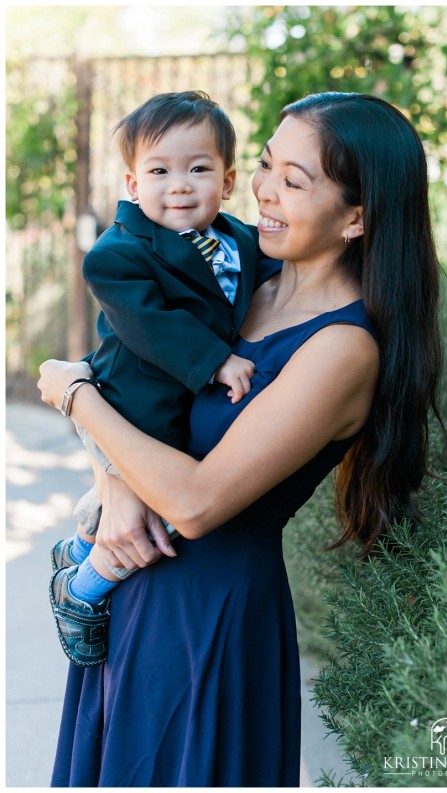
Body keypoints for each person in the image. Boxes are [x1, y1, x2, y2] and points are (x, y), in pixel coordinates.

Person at [38, 91, 444, 788]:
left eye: (294, 180)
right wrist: (113, 482)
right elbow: (136, 380)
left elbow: (195, 502)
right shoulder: (242, 278)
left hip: (208, 618)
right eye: (263, 164)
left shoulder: (341, 347)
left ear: (357, 216)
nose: (261, 190)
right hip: (134, 580)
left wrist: (73, 395)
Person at [48, 91, 263, 667]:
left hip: (174, 413)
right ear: (132, 183)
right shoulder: (117, 254)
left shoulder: (242, 239)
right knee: (150, 521)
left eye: (199, 169)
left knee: (153, 505)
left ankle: (73, 548)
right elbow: (151, 325)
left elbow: (273, 280)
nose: (180, 186)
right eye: (159, 171)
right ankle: (82, 587)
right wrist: (215, 360)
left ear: (228, 178)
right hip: (127, 408)